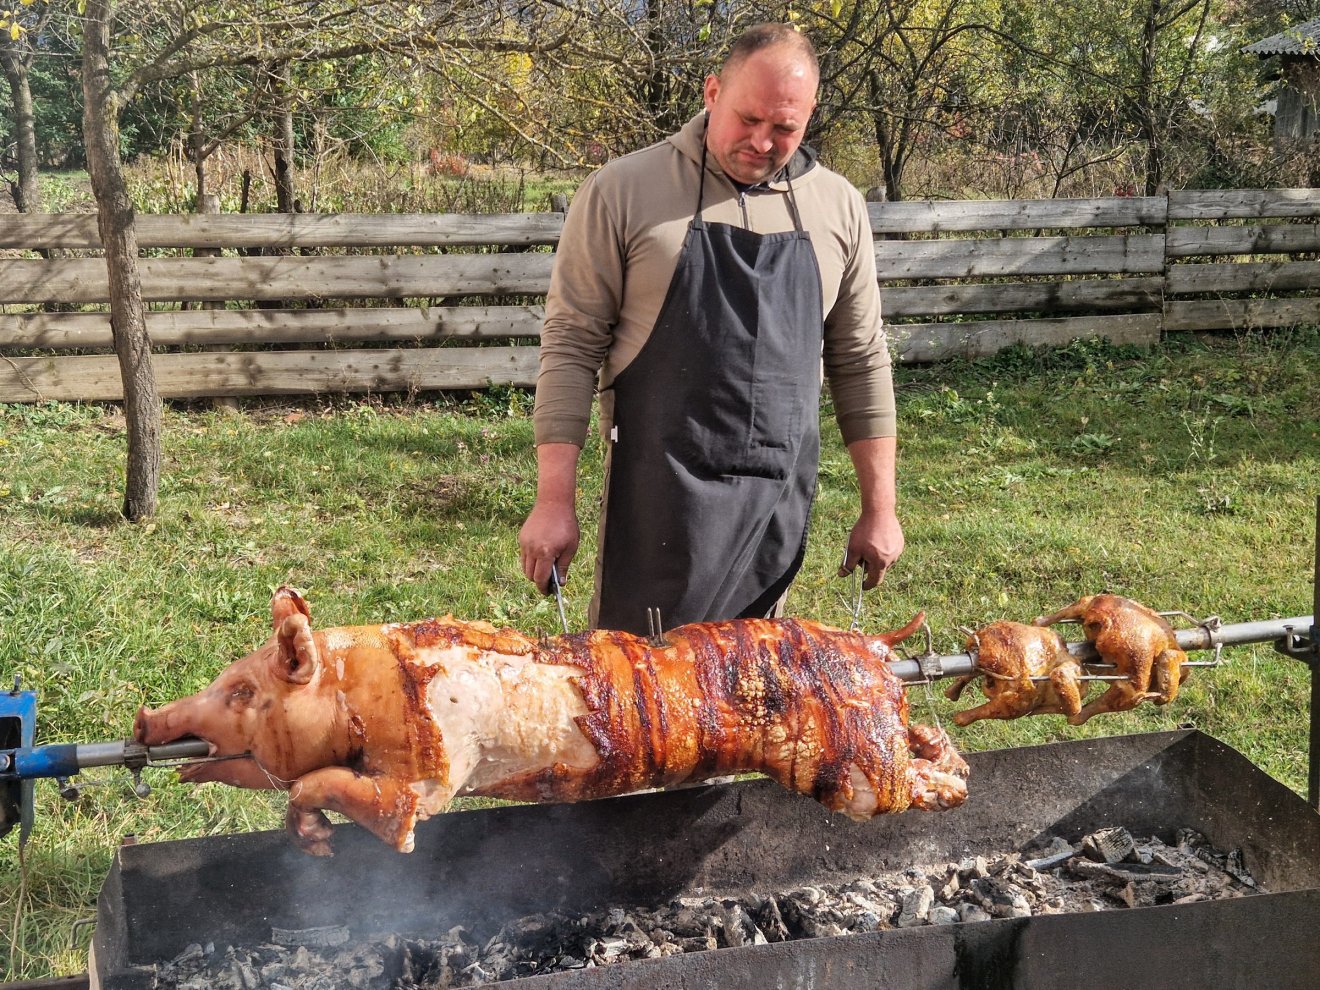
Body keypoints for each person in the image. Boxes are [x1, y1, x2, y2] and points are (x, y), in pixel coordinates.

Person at [518, 22, 903, 636]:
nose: (761, 141)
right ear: (712, 92)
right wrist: (553, 500)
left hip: (776, 496)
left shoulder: (837, 206)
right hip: (661, 492)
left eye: (784, 128)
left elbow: (860, 358)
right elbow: (570, 345)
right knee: (638, 688)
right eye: (747, 118)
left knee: (749, 685)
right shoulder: (624, 190)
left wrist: (879, 508)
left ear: (809, 117)